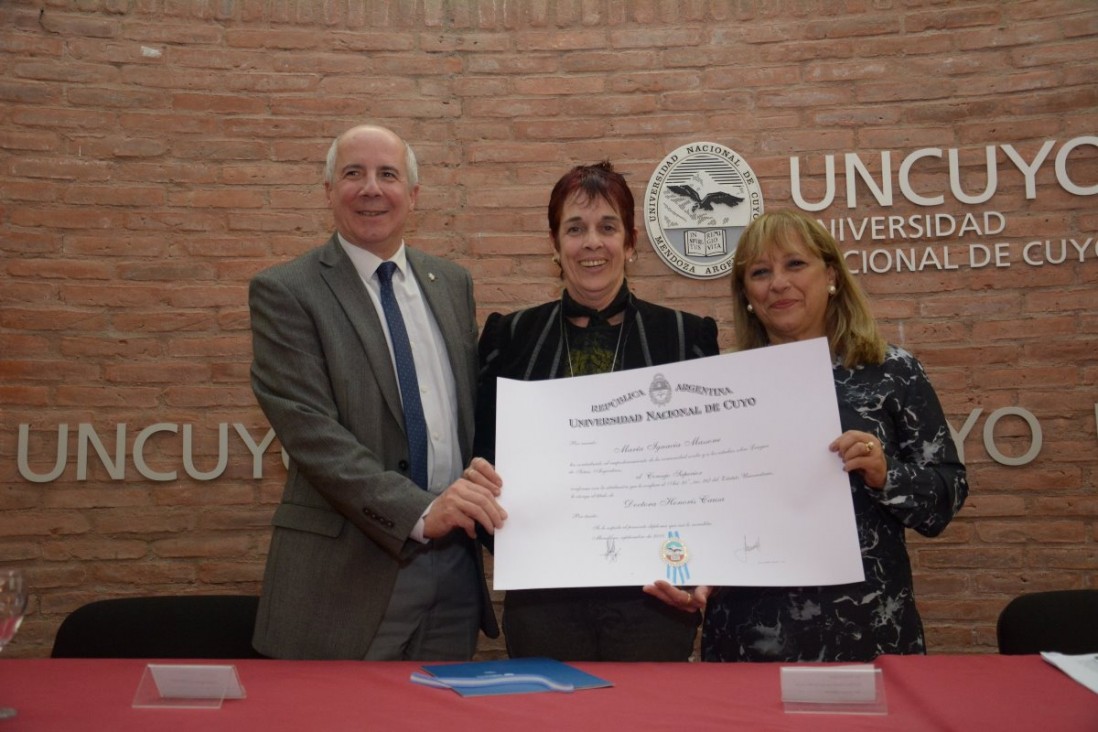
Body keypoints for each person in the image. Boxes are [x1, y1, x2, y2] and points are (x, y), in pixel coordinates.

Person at [645, 208, 968, 662]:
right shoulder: (717, 386)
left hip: (867, 631)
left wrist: (885, 474)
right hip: (747, 636)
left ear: (831, 275)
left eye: (794, 264)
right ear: (748, 295)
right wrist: (691, 572)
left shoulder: (892, 372)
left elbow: (947, 496)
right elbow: (699, 505)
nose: (777, 283)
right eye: (760, 272)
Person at [248, 124, 507, 661]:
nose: (371, 188)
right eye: (353, 174)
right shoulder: (287, 291)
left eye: (388, 174)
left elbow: (467, 417)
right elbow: (312, 434)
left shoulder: (451, 283)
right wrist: (419, 512)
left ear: (412, 195)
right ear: (328, 191)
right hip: (346, 576)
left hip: (455, 571)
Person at [475, 161, 720, 661]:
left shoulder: (685, 336)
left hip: (654, 600)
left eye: (607, 227)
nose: (592, 242)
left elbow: (709, 474)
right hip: (543, 600)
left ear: (630, 242)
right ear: (554, 242)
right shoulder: (510, 337)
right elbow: (483, 459)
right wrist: (520, 543)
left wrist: (696, 565)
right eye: (575, 228)